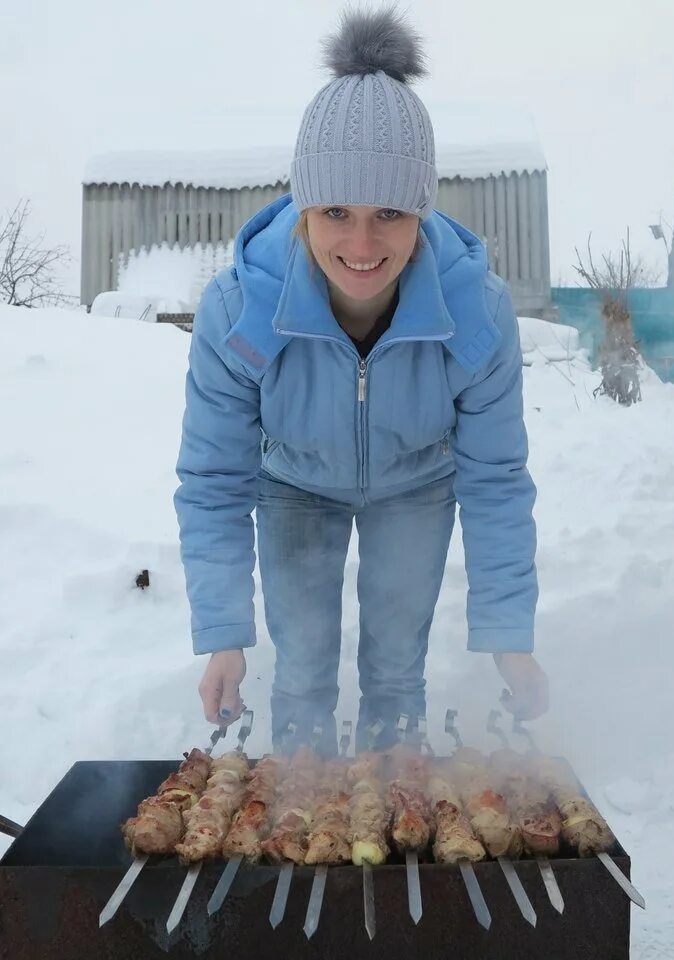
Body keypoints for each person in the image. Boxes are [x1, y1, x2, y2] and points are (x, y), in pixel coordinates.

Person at [174, 7, 547, 754]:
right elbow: (214, 478)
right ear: (304, 207)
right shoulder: (241, 311)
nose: (363, 244)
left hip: (415, 484)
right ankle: (304, 810)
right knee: (304, 672)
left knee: (396, 675)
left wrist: (509, 634)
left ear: (422, 210)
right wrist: (223, 636)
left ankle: (390, 810)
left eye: (390, 214)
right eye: (336, 212)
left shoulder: (476, 316)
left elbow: (497, 479)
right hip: (295, 485)